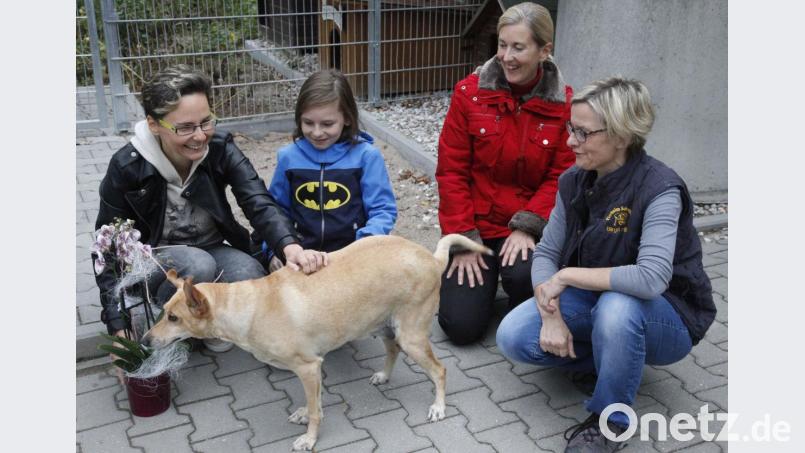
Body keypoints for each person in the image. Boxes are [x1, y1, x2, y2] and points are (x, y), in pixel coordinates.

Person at [495, 77, 717, 452]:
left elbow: (650, 278)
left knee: (619, 307)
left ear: (621, 135)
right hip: (599, 301)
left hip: (669, 314)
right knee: (513, 337)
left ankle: (610, 420)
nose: (570, 141)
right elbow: (547, 253)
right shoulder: (573, 181)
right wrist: (549, 313)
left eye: (582, 132)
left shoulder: (660, 188)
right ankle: (612, 360)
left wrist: (566, 276)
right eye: (570, 128)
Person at [92, 65, 328, 353]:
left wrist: (290, 247)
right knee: (197, 265)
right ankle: (159, 320)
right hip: (154, 261)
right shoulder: (127, 166)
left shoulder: (219, 147)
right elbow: (107, 248)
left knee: (250, 273)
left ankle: (200, 327)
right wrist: (118, 326)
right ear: (154, 124)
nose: (200, 136)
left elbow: (258, 201)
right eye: (185, 127)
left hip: (211, 247)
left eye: (206, 122)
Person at [436, 2, 575, 345]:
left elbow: (562, 176)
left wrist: (528, 226)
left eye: (518, 47)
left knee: (524, 279)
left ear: (545, 51)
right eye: (502, 45)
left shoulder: (566, 105)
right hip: (477, 226)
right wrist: (464, 239)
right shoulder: (469, 94)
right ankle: (480, 283)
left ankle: (515, 286)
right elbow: (451, 171)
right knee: (460, 328)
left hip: (525, 226)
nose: (506, 56)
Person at [264, 69, 396, 260]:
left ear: (348, 118)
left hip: (353, 257)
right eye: (308, 122)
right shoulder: (288, 157)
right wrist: (276, 251)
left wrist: (365, 245)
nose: (317, 132)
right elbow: (276, 211)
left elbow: (382, 209)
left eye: (327, 124)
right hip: (304, 257)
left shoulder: (367, 157)